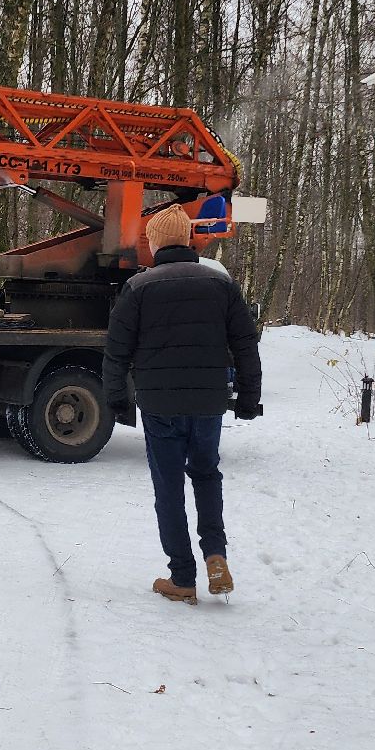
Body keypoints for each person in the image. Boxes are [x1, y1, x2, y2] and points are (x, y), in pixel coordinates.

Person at [104, 204, 262, 605]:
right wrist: (248, 397)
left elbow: (116, 351)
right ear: (189, 241)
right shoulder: (220, 285)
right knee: (207, 475)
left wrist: (117, 401)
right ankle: (215, 556)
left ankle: (182, 578)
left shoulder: (139, 288)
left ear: (155, 242)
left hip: (159, 404)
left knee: (169, 487)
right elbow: (245, 344)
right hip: (209, 401)